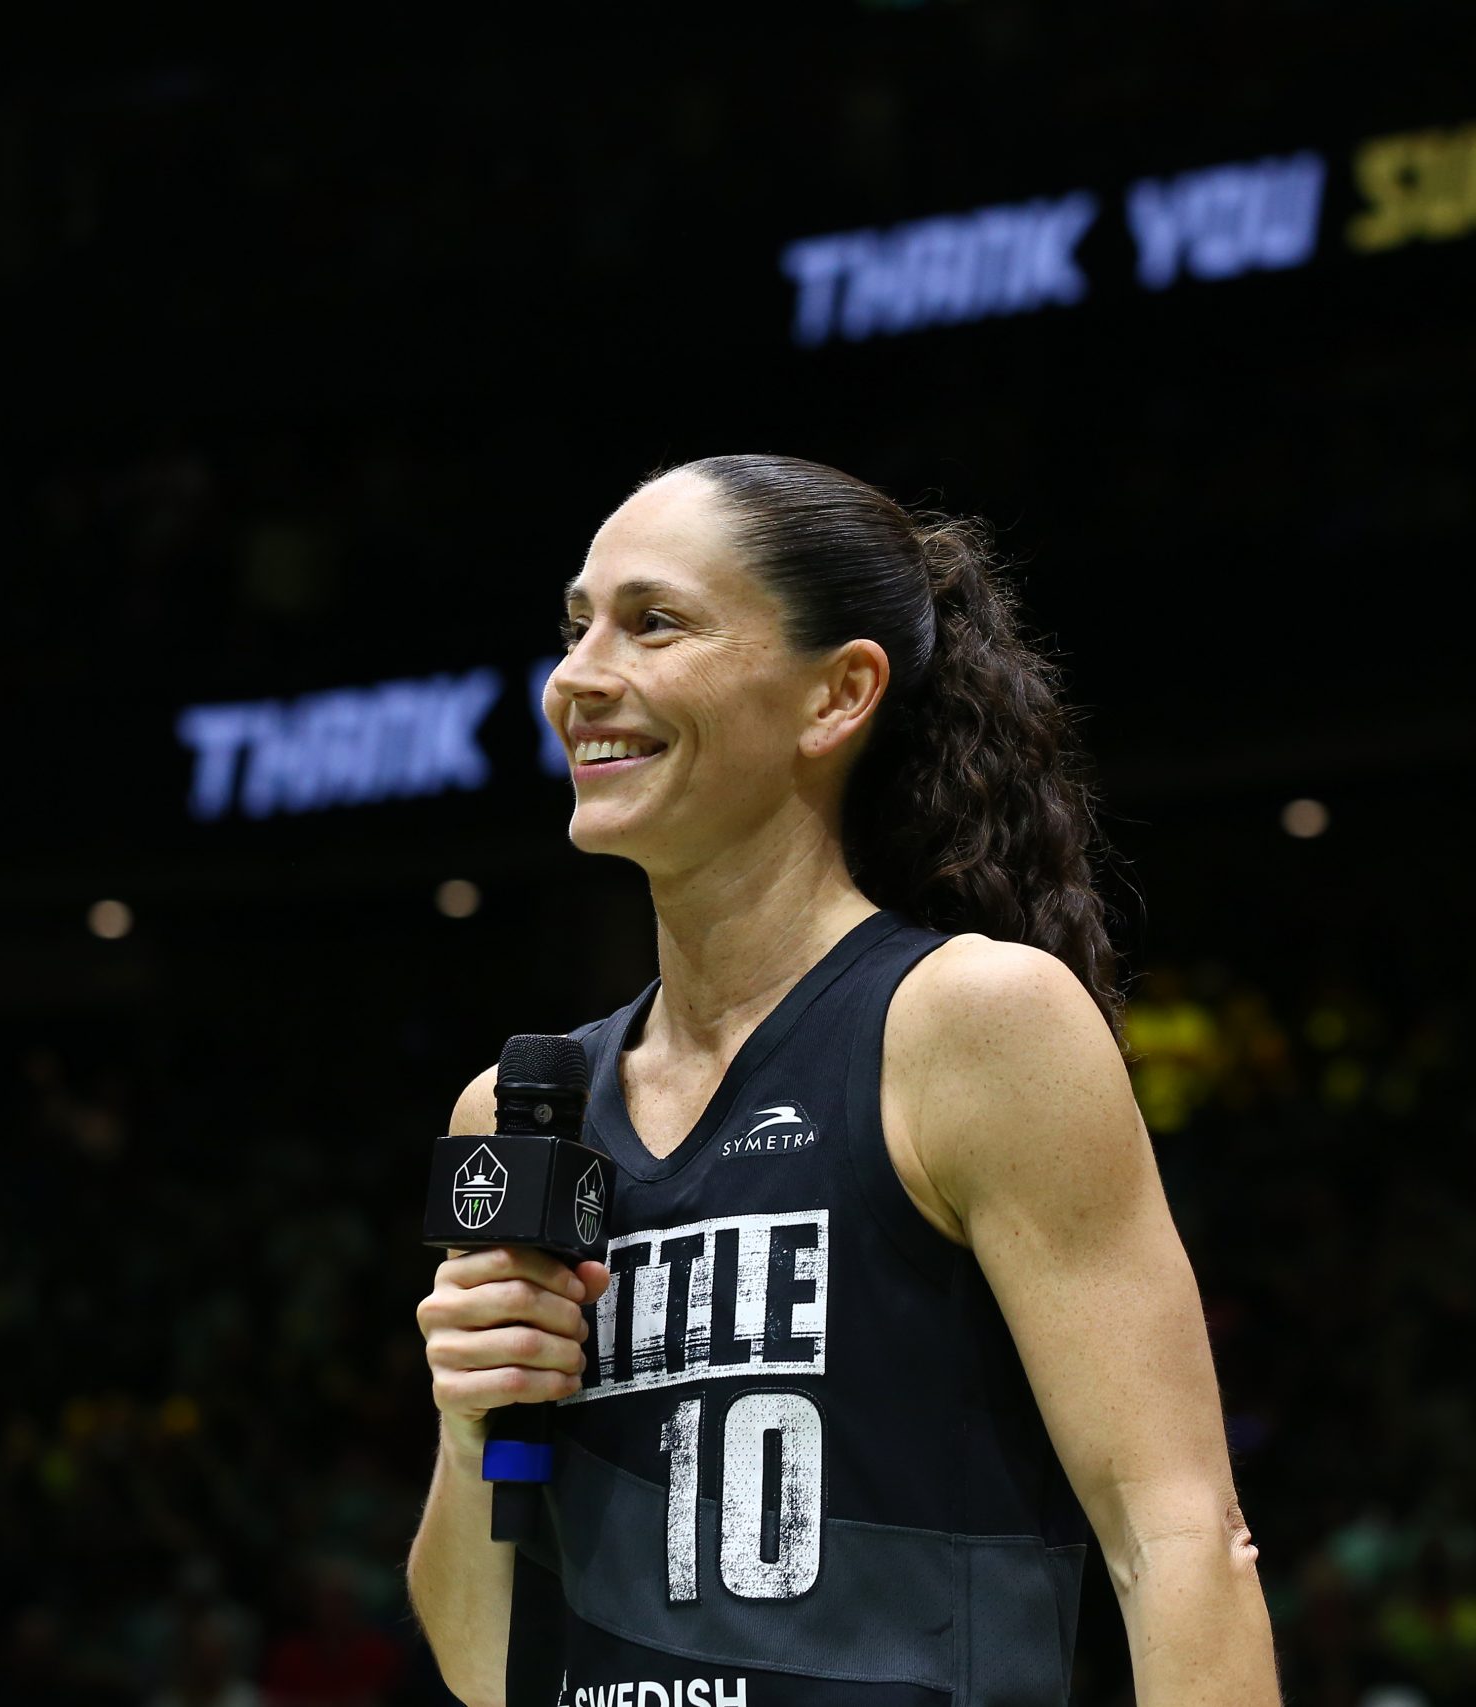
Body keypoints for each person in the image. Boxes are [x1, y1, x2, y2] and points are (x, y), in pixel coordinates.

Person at [406, 454, 1276, 1705]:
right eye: (575, 625)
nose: (578, 677)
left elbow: (1183, 1540)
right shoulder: (516, 1116)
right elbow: (491, 1670)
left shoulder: (972, 1024)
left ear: (837, 695)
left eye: (654, 624)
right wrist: (468, 1421)